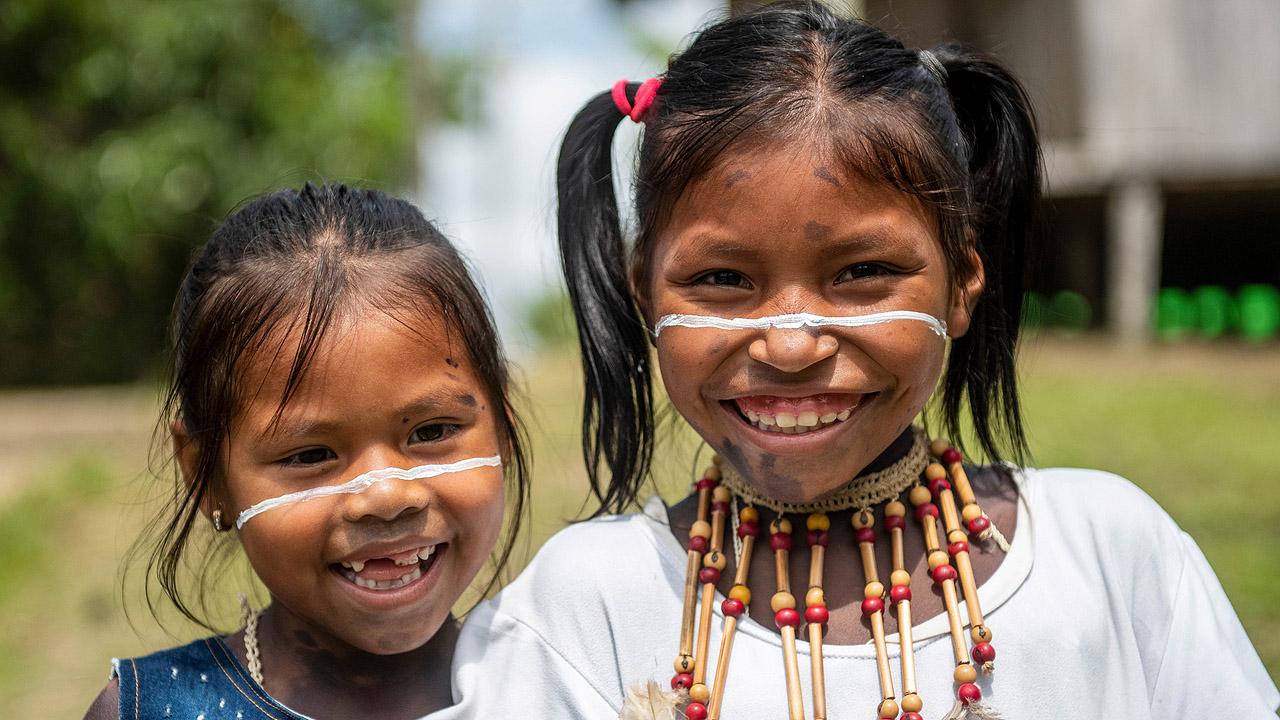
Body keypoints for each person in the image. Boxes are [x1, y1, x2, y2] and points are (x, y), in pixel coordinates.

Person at [451, 3, 1278, 718]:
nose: (790, 342)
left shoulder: (1110, 558)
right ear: (647, 296)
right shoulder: (583, 610)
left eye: (863, 274)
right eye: (722, 280)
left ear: (961, 284)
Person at [83, 183, 527, 719]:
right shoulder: (151, 710)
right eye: (309, 455)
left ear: (501, 425)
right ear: (206, 477)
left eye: (431, 432)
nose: (386, 495)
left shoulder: (566, 683)